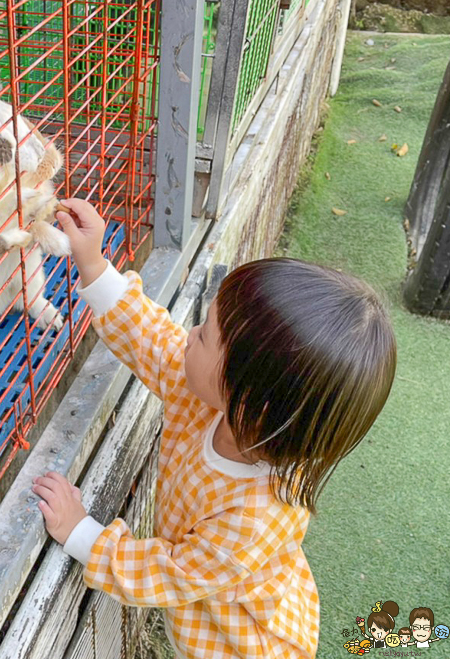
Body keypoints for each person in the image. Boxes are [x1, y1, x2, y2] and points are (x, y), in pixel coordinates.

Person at [32, 199, 397, 658]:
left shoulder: (254, 516)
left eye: (205, 334)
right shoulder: (212, 398)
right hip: (211, 610)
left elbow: (167, 573)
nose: (188, 334)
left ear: (248, 397)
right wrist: (93, 263)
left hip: (240, 647)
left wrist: (78, 530)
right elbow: (151, 339)